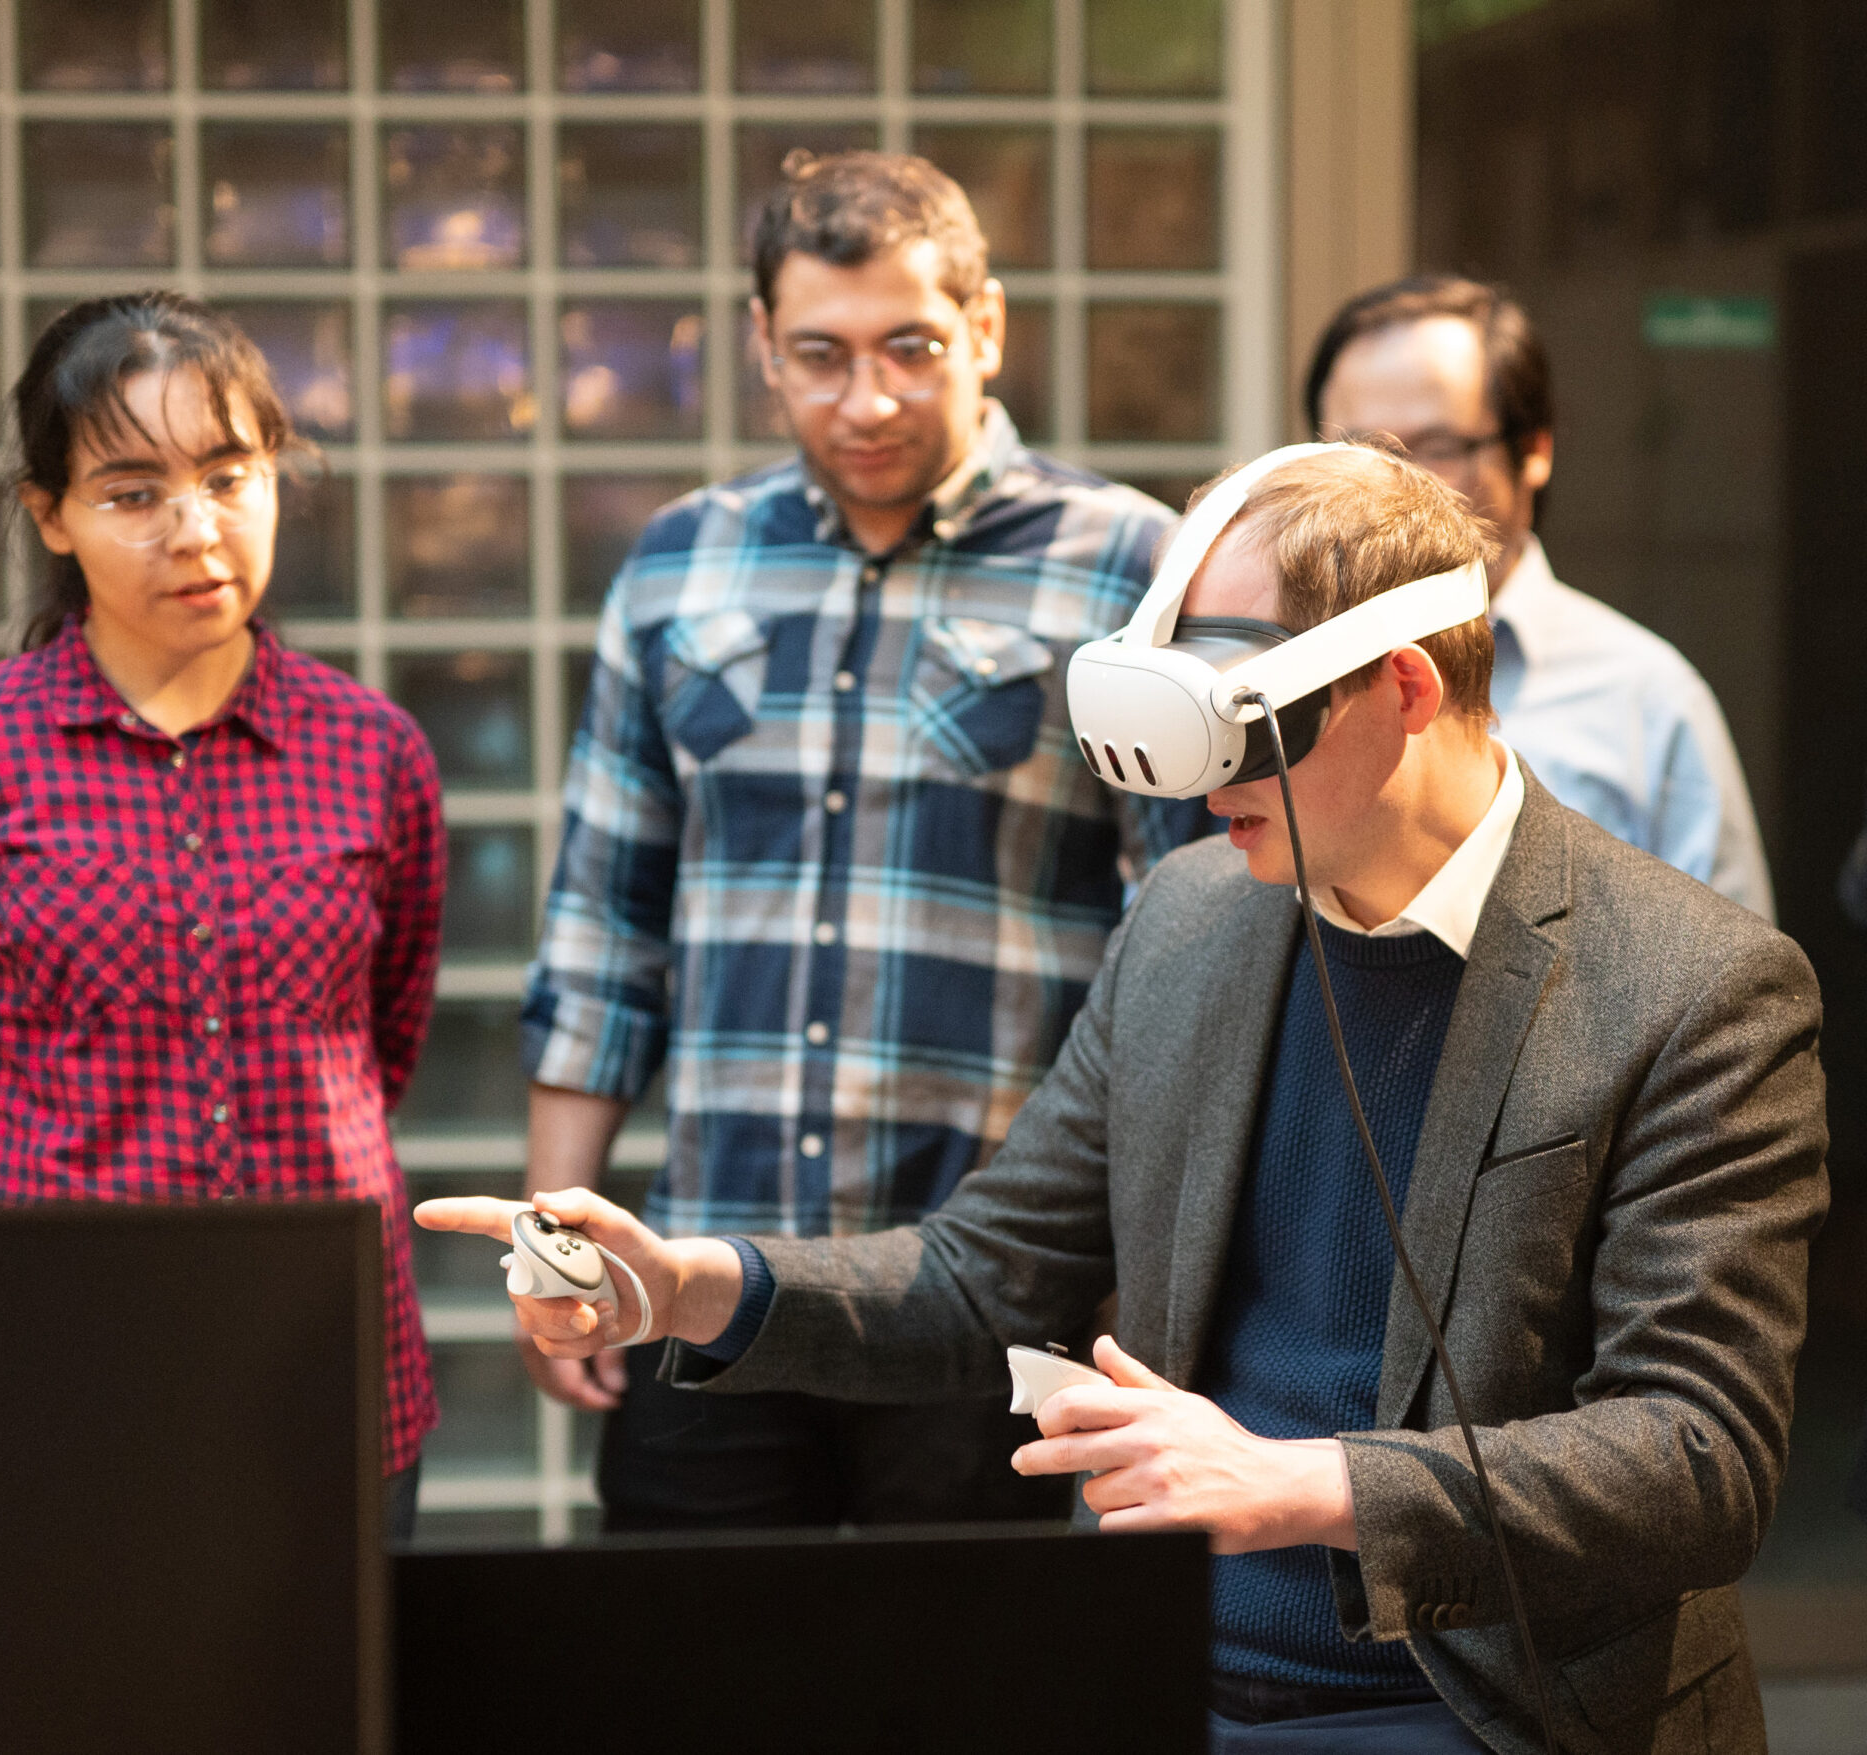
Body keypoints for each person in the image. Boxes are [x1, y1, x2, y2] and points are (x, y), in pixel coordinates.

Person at [429, 445, 1828, 1751]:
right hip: (1174, 1665)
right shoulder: (1191, 918)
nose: (1203, 780)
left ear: (1403, 688)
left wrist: (1306, 1481)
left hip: (1493, 1697)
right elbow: (988, 1274)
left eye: (1241, 717)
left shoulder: (1693, 985)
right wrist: (686, 1284)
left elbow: (1698, 1452)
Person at [519, 150, 1182, 1530]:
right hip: (705, 1271)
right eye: (820, 354)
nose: (866, 398)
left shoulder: (1128, 566)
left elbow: (1193, 940)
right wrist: (557, 1232)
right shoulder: (680, 565)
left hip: (987, 1289)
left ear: (986, 327)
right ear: (762, 342)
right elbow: (602, 926)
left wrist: (1148, 1251)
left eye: (911, 349)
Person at [0, 292, 447, 1539]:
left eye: (227, 474)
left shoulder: (375, 755)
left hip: (317, 1360)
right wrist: (19, 1157)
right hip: (35, 1363)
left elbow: (380, 1041)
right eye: (132, 492)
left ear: (275, 477)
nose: (193, 530)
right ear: (49, 515)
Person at [1306, 274, 1775, 921]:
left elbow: (1730, 982)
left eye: (1436, 448)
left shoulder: (1646, 698)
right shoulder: (1278, 678)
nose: (1393, 489)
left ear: (1534, 450)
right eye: (1358, 455)